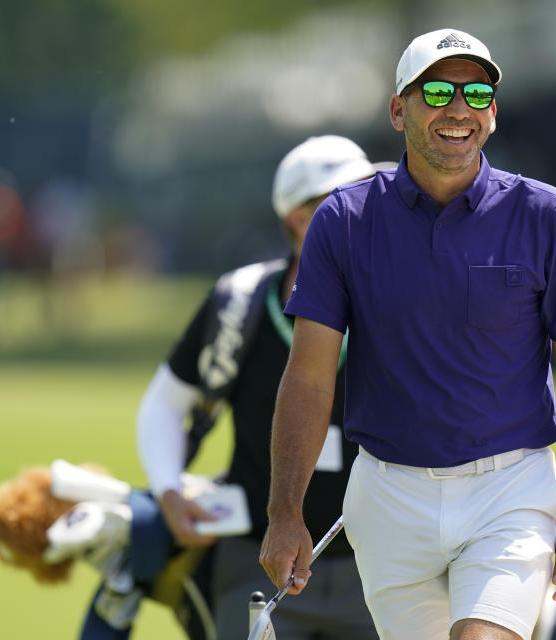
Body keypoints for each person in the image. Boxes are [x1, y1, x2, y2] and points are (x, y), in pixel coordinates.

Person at [260, 28, 556, 640]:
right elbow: (310, 377)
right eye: (438, 91)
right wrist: (284, 512)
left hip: (510, 489)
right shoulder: (343, 220)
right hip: (389, 497)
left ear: (493, 115)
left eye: (477, 94)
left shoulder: (544, 213)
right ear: (399, 109)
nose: (459, 109)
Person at [136, 135, 383, 639]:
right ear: (298, 218)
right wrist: (167, 491)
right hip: (256, 567)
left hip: (384, 569)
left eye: (370, 194)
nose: (369, 210)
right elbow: (164, 404)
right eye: (347, 197)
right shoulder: (238, 304)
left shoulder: (401, 303)